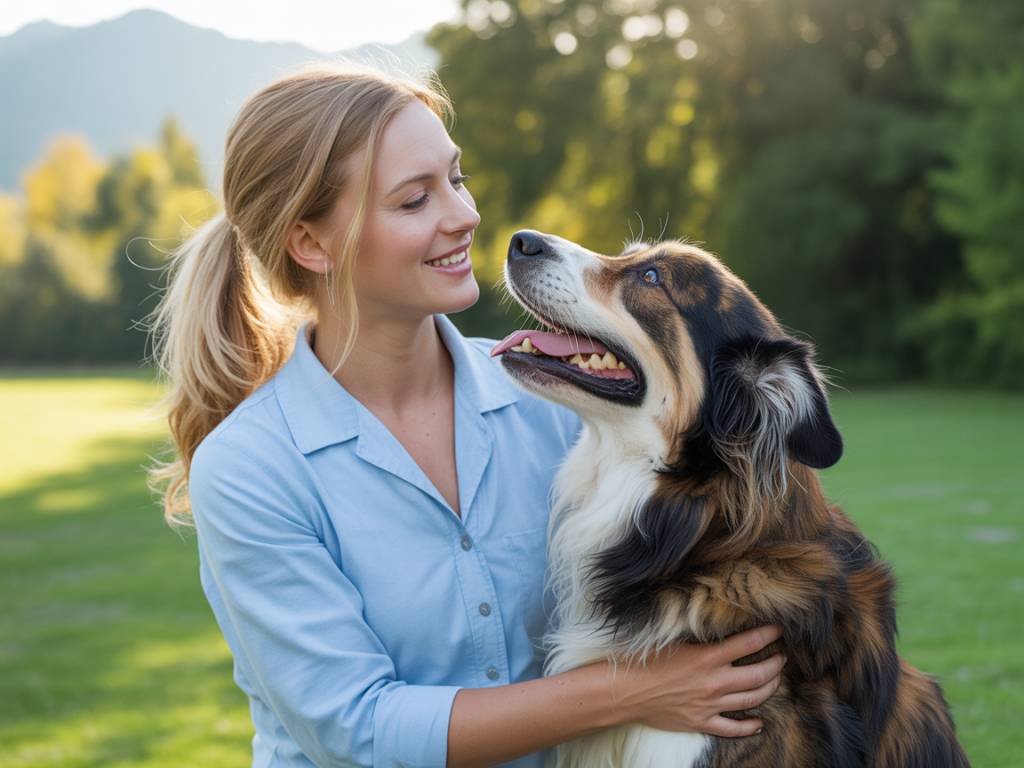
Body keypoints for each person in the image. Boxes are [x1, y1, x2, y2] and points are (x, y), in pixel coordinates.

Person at [146, 61, 785, 768]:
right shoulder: (250, 467)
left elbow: (716, 531)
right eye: (415, 200)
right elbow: (358, 727)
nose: (465, 216)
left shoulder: (555, 402)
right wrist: (631, 691)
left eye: (457, 178)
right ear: (311, 243)